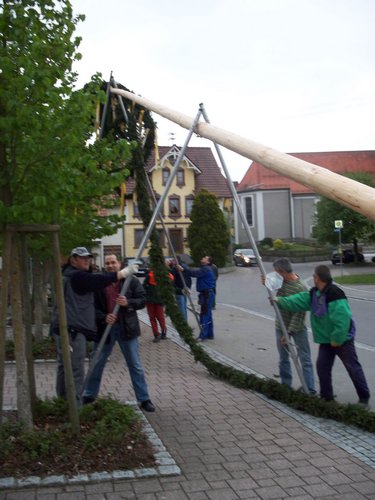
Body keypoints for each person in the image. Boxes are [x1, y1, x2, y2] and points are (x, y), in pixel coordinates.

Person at [51, 247, 137, 405]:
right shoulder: (76, 276)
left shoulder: (69, 275)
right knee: (76, 369)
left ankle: (63, 403)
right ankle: (75, 408)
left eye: (88, 258)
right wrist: (122, 273)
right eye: (82, 258)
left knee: (64, 367)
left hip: (66, 329)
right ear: (73, 260)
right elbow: (98, 281)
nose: (86, 260)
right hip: (73, 331)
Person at [275, 264, 370, 404]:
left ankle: (364, 397)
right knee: (322, 367)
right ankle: (327, 398)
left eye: (314, 276)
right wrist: (280, 301)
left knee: (352, 367)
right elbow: (299, 300)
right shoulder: (314, 293)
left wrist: (337, 339)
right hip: (327, 340)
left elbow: (342, 320)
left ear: (317, 278)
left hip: (342, 340)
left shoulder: (335, 294)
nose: (313, 278)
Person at [82, 254, 155, 412]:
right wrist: (103, 317)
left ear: (119, 264)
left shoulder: (131, 281)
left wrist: (128, 303)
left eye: (113, 262)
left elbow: (142, 300)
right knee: (96, 363)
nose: (110, 265)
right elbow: (90, 306)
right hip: (105, 330)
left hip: (126, 329)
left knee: (135, 365)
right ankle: (89, 394)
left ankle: (144, 399)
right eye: (107, 263)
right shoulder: (100, 282)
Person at [264, 258, 315, 394]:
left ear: (282, 271)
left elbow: (299, 314)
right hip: (280, 325)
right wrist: (266, 283)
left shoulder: (301, 287)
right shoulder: (282, 282)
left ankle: (309, 389)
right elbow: (276, 298)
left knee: (305, 358)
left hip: (297, 328)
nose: (275, 275)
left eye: (276, 272)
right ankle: (285, 386)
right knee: (283, 358)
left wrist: (289, 333)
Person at [184, 255, 216, 341]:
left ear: (208, 262)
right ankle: (210, 334)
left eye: (205, 258)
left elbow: (194, 273)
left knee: (205, 314)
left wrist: (184, 269)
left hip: (207, 294)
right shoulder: (206, 268)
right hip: (206, 294)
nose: (202, 258)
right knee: (208, 314)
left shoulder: (206, 269)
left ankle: (203, 336)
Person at [143, 266, 173, 342]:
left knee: (152, 318)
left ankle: (157, 335)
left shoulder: (149, 275)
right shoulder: (164, 275)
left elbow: (143, 287)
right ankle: (163, 333)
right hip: (159, 300)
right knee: (161, 318)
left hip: (150, 300)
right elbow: (171, 279)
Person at [168, 257, 192, 321]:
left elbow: (172, 279)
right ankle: (185, 321)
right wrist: (188, 287)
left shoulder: (175, 269)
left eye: (173, 260)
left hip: (179, 290)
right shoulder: (185, 267)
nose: (172, 261)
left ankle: (183, 323)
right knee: (183, 306)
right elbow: (189, 279)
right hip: (185, 290)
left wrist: (175, 289)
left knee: (181, 307)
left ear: (176, 261)